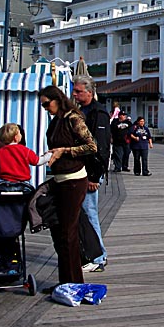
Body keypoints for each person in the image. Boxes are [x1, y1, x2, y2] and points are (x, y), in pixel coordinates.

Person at [40, 85, 96, 286]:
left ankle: (74, 282)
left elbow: (92, 146)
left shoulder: (73, 118)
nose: (46, 108)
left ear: (57, 99)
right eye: (43, 105)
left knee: (68, 232)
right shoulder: (56, 120)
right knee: (59, 231)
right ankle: (65, 280)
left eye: (47, 103)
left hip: (73, 180)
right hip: (60, 179)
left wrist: (65, 150)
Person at [71, 75, 111, 273]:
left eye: (78, 91)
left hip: (90, 171)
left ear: (90, 91)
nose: (74, 94)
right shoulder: (81, 110)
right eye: (74, 90)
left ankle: (98, 256)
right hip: (79, 170)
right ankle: (93, 253)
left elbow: (102, 147)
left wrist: (95, 176)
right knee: (84, 213)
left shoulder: (98, 113)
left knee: (89, 212)